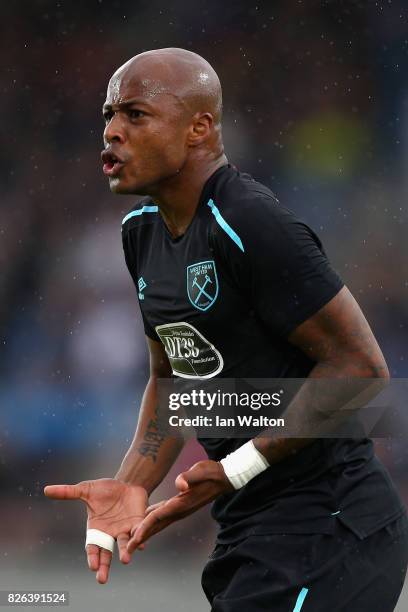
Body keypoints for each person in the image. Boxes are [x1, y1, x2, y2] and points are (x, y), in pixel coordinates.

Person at [44, 48, 408, 611]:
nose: (112, 132)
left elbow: (361, 369)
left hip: (329, 528)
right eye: (108, 115)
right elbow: (172, 381)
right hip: (251, 532)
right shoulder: (140, 233)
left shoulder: (249, 221)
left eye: (135, 114)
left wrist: (238, 466)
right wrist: (134, 481)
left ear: (199, 128)